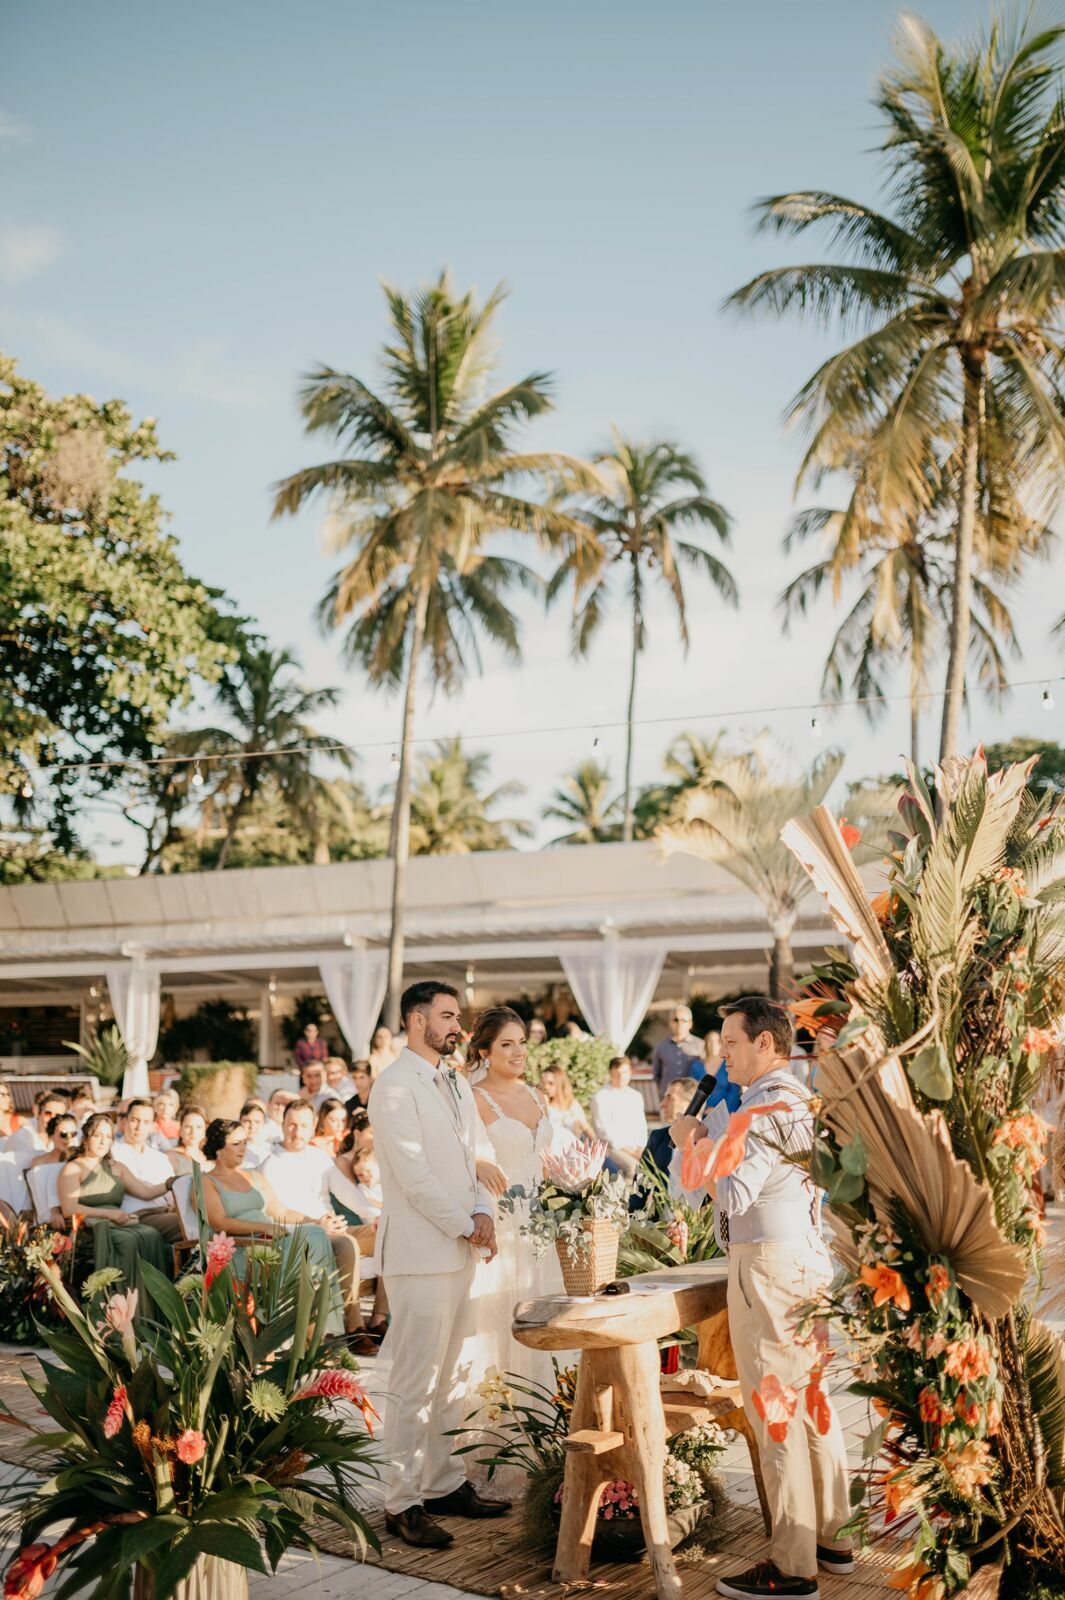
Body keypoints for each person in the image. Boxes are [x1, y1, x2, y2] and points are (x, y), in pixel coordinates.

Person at [670, 996, 852, 1600]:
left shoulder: (759, 1107)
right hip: (807, 1259)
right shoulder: (800, 1097)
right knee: (813, 1399)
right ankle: (834, 1537)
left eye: (733, 1041)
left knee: (775, 1408)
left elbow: (731, 1194)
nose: (724, 1053)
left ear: (767, 1045)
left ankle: (793, 1567)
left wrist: (690, 1141)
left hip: (767, 1267)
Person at [370, 980, 505, 1549]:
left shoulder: (452, 1079)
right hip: (420, 1255)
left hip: (460, 1246)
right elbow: (412, 1175)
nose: (458, 1027)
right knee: (413, 1382)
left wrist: (483, 1209)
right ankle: (401, 1502)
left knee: (452, 1377)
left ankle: (445, 1481)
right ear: (415, 1020)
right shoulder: (394, 1086)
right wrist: (465, 1222)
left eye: (458, 1017)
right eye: (447, 1016)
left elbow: (479, 1154)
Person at [466, 1007, 568, 1407]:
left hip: (546, 1223)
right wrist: (476, 1161)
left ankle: (550, 1421)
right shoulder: (474, 1098)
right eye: (506, 1044)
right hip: (505, 1221)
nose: (517, 1052)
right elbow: (457, 1151)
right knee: (505, 1323)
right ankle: (504, 1429)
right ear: (485, 1051)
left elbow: (549, 1160)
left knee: (548, 1319)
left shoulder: (536, 1095)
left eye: (521, 1043)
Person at [200, 1118, 344, 1335]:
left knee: (316, 1234)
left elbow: (282, 1212)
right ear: (219, 1147)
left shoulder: (253, 1175)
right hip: (241, 1250)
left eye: (245, 1143)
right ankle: (306, 1333)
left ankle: (319, 1329)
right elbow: (218, 1222)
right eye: (236, 1143)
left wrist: (315, 1220)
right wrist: (263, 1227)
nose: (243, 1149)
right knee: (308, 1249)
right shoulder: (205, 1181)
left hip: (272, 1241)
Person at [261, 1101, 379, 1352]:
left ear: (313, 1126)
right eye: (291, 1124)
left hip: (334, 1225)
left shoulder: (319, 1157)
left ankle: (379, 1319)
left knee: (387, 1233)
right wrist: (317, 1224)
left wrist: (374, 1218)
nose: (297, 1131)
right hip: (303, 1232)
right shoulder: (271, 1163)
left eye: (304, 1125)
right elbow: (278, 1213)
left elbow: (347, 1192)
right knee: (348, 1245)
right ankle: (355, 1327)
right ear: (282, 1125)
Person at [59, 1113, 174, 1319]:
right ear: (86, 1137)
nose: (104, 1141)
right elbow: (69, 1208)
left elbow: (145, 1192)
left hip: (118, 1220)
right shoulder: (73, 1168)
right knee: (128, 1240)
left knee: (151, 1234)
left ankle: (153, 1313)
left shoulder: (116, 1167)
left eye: (108, 1136)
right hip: (91, 1224)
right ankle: (125, 1315)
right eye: (98, 1135)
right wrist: (108, 1213)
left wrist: (169, 1183)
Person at [113, 1098, 183, 1242]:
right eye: (135, 1120)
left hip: (165, 1212)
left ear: (152, 1126)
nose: (139, 1127)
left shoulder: (159, 1158)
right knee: (191, 1225)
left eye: (146, 1122)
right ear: (125, 1120)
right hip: (135, 1215)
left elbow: (172, 1195)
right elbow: (146, 1191)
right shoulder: (113, 1152)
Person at [630, 1076, 699, 1209]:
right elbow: (640, 1183)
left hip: (701, 1226)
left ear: (691, 1103)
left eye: (670, 1098)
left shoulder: (711, 1139)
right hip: (661, 1225)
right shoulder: (658, 1138)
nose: (662, 1104)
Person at [589, 1056, 648, 1178]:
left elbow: (642, 1126)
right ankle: (627, 1197)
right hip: (612, 1148)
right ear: (611, 1073)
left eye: (625, 1072)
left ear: (630, 1072)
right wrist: (629, 1151)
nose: (621, 1076)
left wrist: (641, 1147)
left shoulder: (636, 1096)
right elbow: (603, 1131)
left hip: (637, 1147)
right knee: (633, 1167)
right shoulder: (600, 1097)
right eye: (617, 1073)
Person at [27, 1111, 80, 1229]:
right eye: (64, 1134)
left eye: (74, 1133)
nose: (69, 1138)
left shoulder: (81, 1160)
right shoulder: (39, 1162)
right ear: (52, 1134)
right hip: (47, 1220)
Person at [651, 1005, 707, 1100]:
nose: (679, 1023)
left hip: (692, 1098)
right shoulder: (661, 1046)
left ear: (690, 1023)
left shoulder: (701, 1045)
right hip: (668, 1098)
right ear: (669, 1023)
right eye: (675, 1020)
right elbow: (657, 1074)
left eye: (684, 1020)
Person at [2, 1089, 68, 1167]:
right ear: (38, 1113)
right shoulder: (21, 1138)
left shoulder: (68, 1139)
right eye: (48, 1113)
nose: (52, 1118)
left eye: (58, 1116)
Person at [538, 1065, 595, 1153]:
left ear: (560, 1084)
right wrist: (543, 1103)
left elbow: (585, 1126)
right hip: (559, 1150)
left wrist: (597, 1145)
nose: (545, 1087)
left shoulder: (571, 1103)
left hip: (579, 1147)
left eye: (550, 1083)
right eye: (543, 1082)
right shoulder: (542, 1106)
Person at [165, 1104, 210, 1175]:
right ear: (180, 1130)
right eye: (188, 1127)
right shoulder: (169, 1157)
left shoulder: (210, 1158)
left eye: (198, 1127)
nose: (193, 1132)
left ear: (205, 1130)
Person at [239, 1099, 274, 1167]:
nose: (252, 1126)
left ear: (263, 1124)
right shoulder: (230, 1148)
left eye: (257, 1122)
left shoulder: (271, 1151)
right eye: (247, 1121)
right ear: (240, 1122)